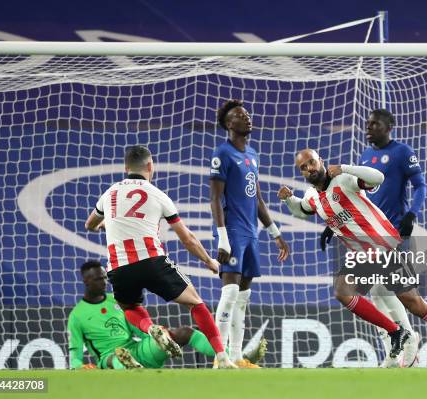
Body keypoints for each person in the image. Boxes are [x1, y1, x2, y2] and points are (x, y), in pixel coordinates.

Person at [278, 149, 427, 367]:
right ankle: (404, 334)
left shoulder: (343, 179)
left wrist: (345, 167)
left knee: (412, 304)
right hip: (361, 254)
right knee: (354, 294)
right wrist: (289, 200)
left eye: (312, 162)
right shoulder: (312, 196)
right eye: (303, 167)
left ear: (321, 161)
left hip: (383, 246)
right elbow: (301, 210)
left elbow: (378, 178)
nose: (309, 168)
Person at [85, 145, 236, 368]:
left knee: (129, 307)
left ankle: (149, 328)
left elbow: (90, 224)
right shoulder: (158, 195)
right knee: (196, 304)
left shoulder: (109, 193)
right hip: (152, 262)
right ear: (150, 166)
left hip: (119, 268)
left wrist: (104, 225)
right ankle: (223, 357)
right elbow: (188, 239)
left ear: (126, 168)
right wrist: (209, 261)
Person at [320, 109, 425, 367]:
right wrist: (332, 223)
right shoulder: (366, 156)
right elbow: (355, 195)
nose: (368, 127)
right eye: (367, 124)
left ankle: (407, 339)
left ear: (389, 126)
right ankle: (396, 347)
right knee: (377, 292)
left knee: (388, 290)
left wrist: (412, 214)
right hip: (366, 235)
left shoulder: (402, 152)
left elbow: (420, 185)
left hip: (392, 232)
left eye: (375, 123)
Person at [210, 99, 290, 368]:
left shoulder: (253, 154)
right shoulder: (222, 153)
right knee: (230, 294)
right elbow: (215, 198)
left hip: (251, 234)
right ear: (229, 124)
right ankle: (220, 357)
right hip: (232, 232)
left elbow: (257, 199)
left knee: (243, 299)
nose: (247, 117)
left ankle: (235, 356)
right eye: (240, 115)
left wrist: (275, 232)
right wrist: (222, 237)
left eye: (246, 114)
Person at [68, 261, 237, 369]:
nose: (104, 282)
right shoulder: (77, 315)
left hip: (137, 349)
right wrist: (78, 366)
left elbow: (139, 330)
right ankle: (132, 369)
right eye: (98, 279)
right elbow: (75, 353)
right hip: (107, 359)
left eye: (105, 277)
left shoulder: (117, 300)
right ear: (86, 281)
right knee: (116, 358)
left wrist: (159, 337)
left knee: (184, 332)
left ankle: (232, 358)